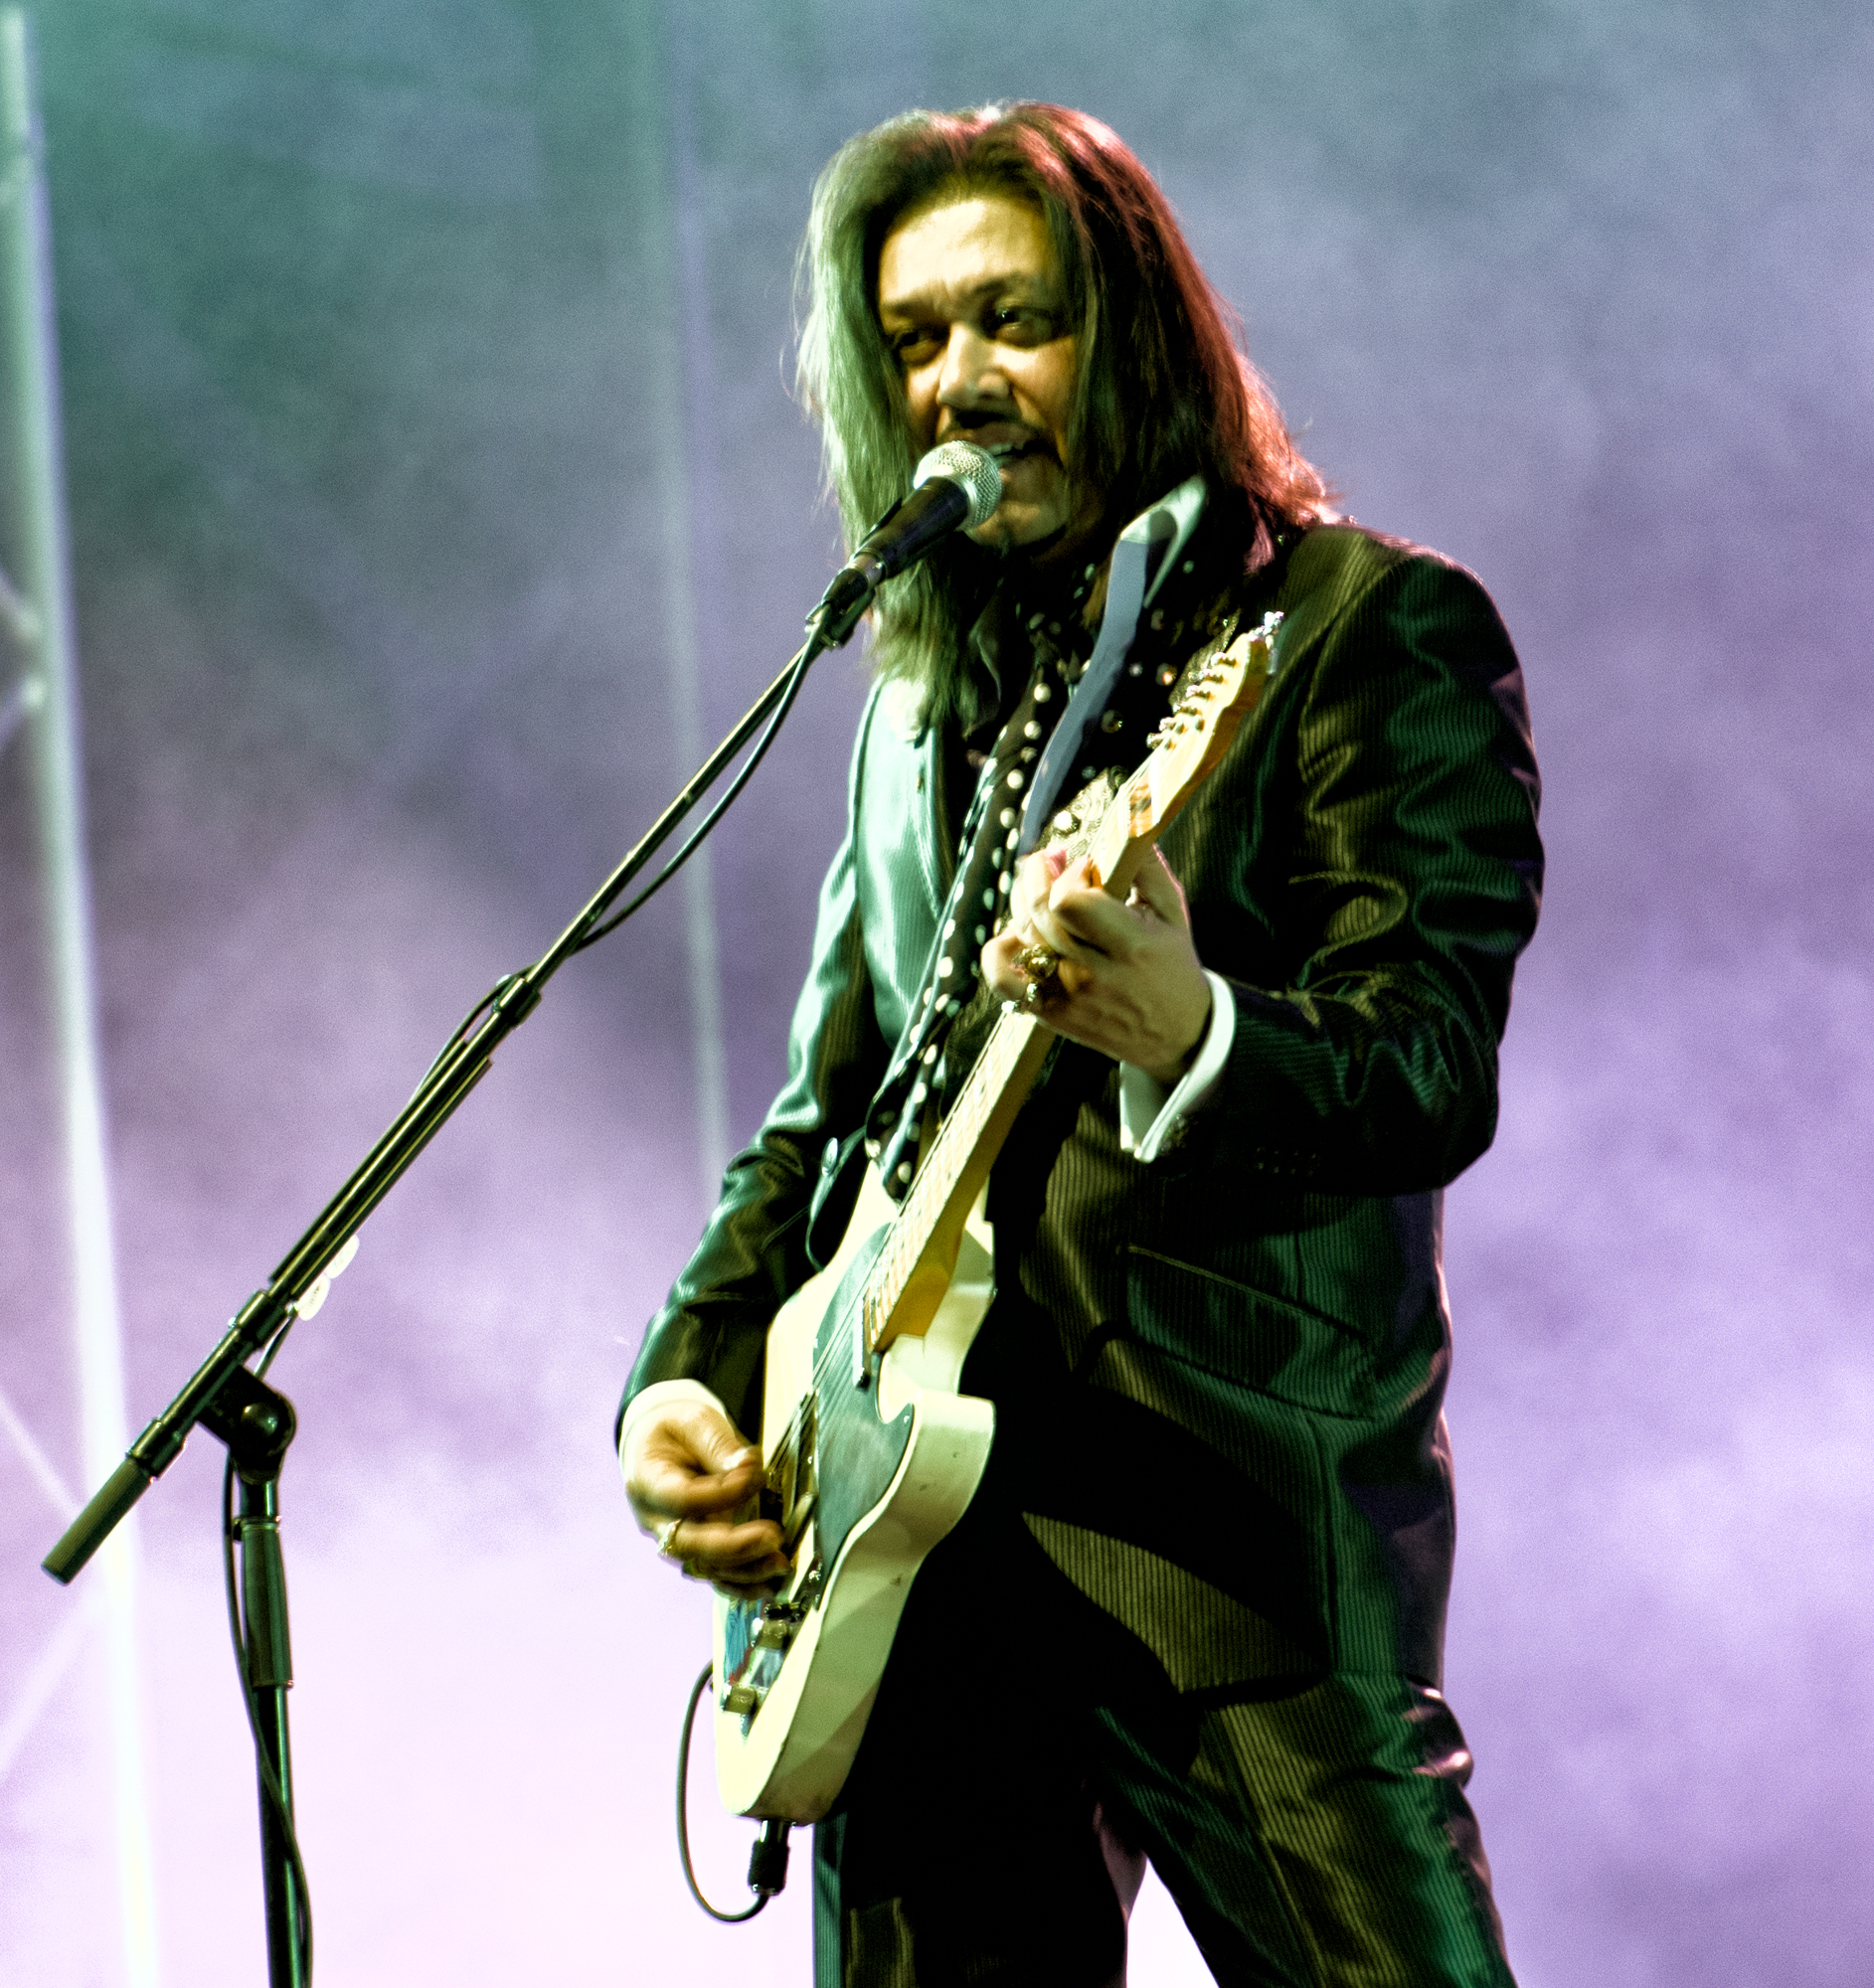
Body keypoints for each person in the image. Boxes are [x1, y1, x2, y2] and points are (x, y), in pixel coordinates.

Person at [616, 100, 1542, 1988]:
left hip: (1231, 1563)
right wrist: (683, 1385)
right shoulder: (910, 715)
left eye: (1012, 319)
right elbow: (816, 1129)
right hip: (906, 1568)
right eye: (911, 339)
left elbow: (1428, 1065)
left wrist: (1187, 1025)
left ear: (1133, 330)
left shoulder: (1360, 633)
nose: (961, 378)